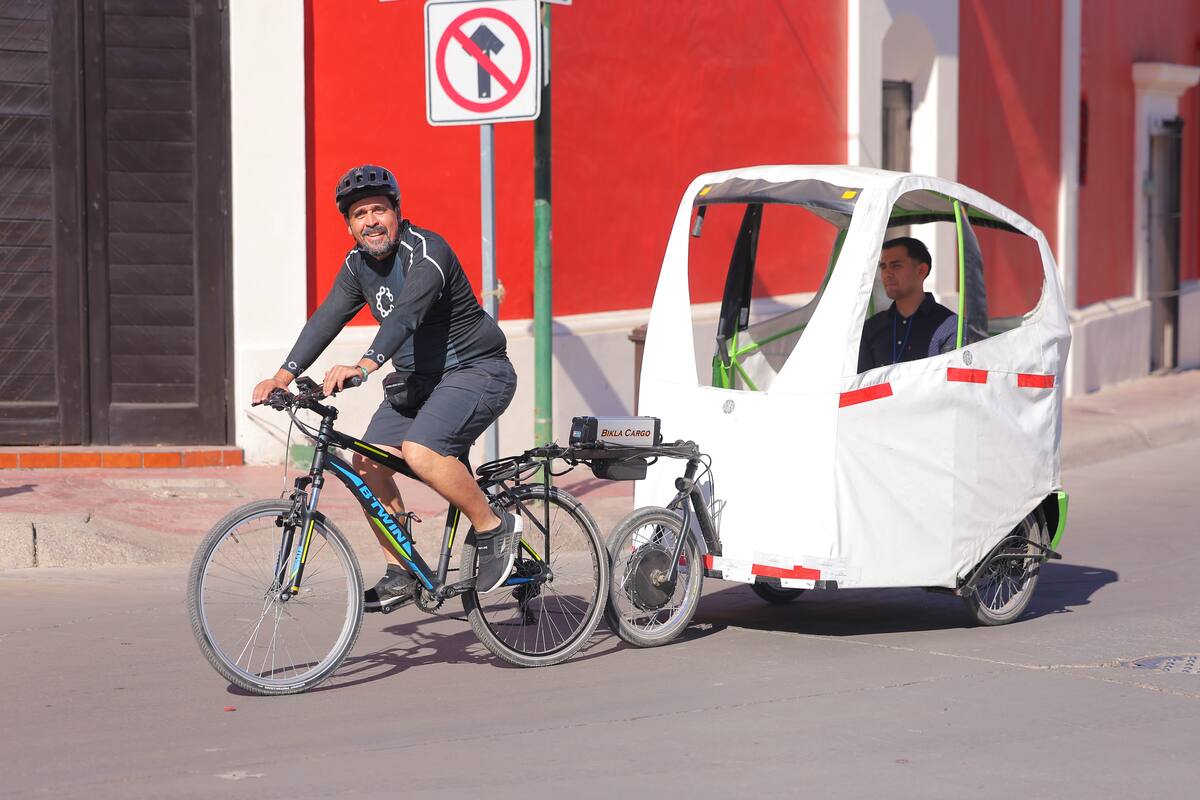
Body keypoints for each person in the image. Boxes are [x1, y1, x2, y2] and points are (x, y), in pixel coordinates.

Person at [251, 164, 520, 612]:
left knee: (422, 452)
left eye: (379, 210)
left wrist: (365, 365)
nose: (370, 221)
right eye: (359, 214)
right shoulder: (357, 265)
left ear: (397, 213)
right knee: (366, 463)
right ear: (350, 226)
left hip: (476, 370)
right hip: (419, 383)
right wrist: (281, 377)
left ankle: (493, 526)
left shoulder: (428, 251)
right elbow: (326, 319)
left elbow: (405, 315)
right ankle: (403, 571)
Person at [857, 236, 957, 373]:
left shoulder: (949, 326)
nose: (887, 274)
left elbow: (952, 385)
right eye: (883, 267)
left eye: (896, 265)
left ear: (921, 270)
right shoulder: (871, 327)